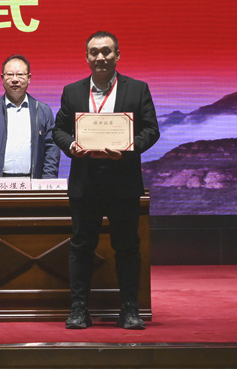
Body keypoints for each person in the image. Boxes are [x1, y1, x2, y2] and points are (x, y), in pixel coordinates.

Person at [53, 31, 160, 330]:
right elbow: (59, 130)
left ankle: (130, 309)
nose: (100, 57)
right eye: (94, 52)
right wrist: (71, 146)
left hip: (123, 178)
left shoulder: (137, 89)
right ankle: (79, 309)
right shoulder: (72, 91)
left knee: (127, 246)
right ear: (86, 57)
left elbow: (151, 130)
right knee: (81, 246)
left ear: (117, 55)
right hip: (85, 181)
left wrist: (128, 148)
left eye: (106, 51)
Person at [0, 54, 60, 189]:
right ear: (2, 78)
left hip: (33, 183)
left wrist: (48, 180)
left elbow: (52, 148)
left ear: (29, 78)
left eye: (20, 75)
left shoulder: (43, 110)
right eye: (9, 75)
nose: (15, 80)